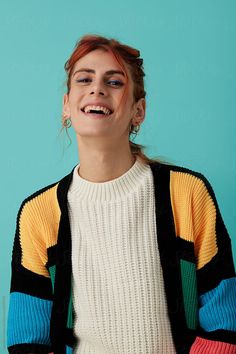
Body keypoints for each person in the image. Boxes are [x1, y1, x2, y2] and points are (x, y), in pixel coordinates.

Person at [7, 34, 236, 354]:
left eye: (114, 82)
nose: (96, 88)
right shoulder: (38, 213)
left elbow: (224, 324)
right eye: (84, 79)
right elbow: (27, 341)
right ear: (66, 106)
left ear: (138, 111)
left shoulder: (187, 194)